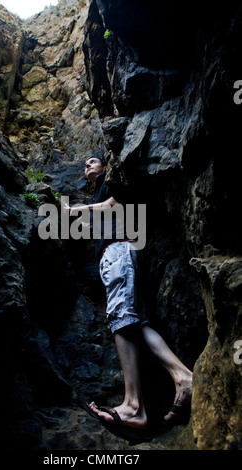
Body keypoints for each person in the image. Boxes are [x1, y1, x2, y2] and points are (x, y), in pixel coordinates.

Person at [64, 153, 193, 440]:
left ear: (106, 167)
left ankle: (134, 406)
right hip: (120, 252)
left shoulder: (109, 183)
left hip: (121, 249)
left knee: (122, 317)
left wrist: (77, 210)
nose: (87, 165)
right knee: (136, 321)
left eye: (93, 161)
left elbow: (116, 205)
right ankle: (182, 379)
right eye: (84, 164)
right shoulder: (99, 190)